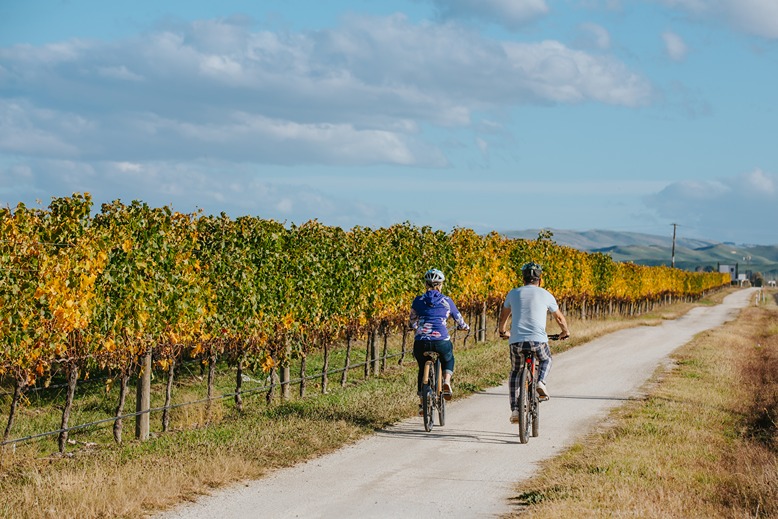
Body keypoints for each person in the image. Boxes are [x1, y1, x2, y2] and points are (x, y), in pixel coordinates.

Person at [497, 261, 569, 424]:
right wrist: (565, 332)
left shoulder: (513, 293)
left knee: (516, 371)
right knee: (546, 359)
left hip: (516, 342)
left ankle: (515, 410)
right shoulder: (546, 294)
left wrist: (502, 331)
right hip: (538, 341)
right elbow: (559, 317)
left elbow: (504, 316)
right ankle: (541, 382)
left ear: (523, 279)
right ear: (540, 279)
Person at [409, 268, 469, 414]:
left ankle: (423, 403)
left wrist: (414, 327)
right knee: (448, 358)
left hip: (421, 341)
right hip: (441, 339)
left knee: (422, 366)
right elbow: (458, 319)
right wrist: (465, 327)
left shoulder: (418, 300)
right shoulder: (447, 301)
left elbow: (412, 321)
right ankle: (447, 381)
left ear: (426, 284)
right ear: (440, 285)